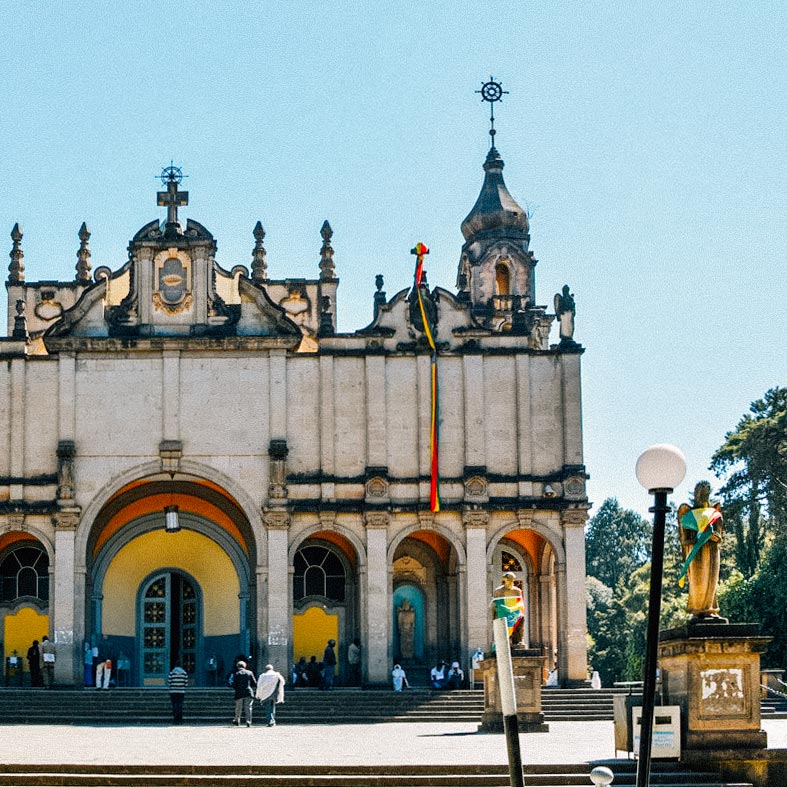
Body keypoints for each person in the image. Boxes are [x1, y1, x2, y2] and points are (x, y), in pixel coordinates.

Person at [678, 481, 725, 622]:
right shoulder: (688, 513)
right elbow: (684, 539)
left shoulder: (714, 512)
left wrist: (710, 536)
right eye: (700, 492)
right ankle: (697, 610)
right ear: (695, 494)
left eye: (706, 492)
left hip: (711, 552)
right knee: (698, 582)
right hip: (695, 552)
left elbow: (719, 536)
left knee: (711, 580)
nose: (703, 495)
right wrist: (698, 537)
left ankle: (710, 609)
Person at [491, 572, 525, 645]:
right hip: (503, 612)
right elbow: (496, 604)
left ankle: (518, 640)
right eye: (509, 580)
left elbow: (520, 603)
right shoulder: (498, 591)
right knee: (500, 617)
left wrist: (513, 608)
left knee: (520, 617)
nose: (511, 582)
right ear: (505, 580)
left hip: (514, 612)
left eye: (512, 580)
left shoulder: (517, 591)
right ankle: (502, 640)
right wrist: (505, 609)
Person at [229, 660, 257, 727]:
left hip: (239, 692)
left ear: (237, 666)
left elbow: (233, 684)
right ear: (245, 666)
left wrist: (236, 688)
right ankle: (248, 721)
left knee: (238, 707)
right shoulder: (249, 673)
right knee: (248, 707)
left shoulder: (236, 673)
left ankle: (237, 720)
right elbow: (254, 682)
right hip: (248, 691)